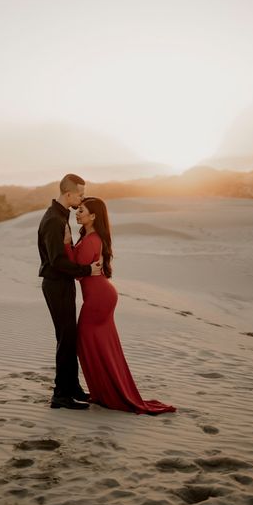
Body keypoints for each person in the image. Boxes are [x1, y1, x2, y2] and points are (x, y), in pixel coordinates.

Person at [64, 196, 176, 415]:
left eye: (81, 211)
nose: (77, 213)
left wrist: (67, 244)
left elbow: (75, 270)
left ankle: (109, 393)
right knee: (98, 346)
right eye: (77, 210)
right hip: (100, 296)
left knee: (88, 344)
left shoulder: (92, 240)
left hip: (98, 299)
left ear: (93, 216)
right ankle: (105, 392)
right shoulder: (89, 236)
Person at [38, 174, 102, 410]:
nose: (82, 198)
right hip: (56, 284)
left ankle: (72, 387)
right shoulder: (55, 220)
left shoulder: (60, 216)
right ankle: (60, 395)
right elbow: (56, 262)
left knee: (69, 338)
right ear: (68, 194)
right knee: (66, 339)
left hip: (62, 284)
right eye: (80, 194)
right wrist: (86, 269)